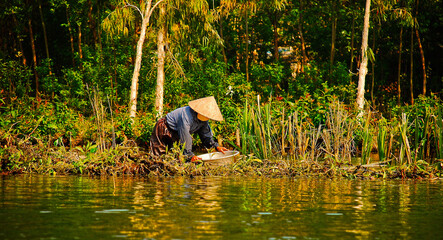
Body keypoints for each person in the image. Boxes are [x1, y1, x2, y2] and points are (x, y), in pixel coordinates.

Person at [150, 96, 229, 162]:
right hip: (164, 127)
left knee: (175, 157)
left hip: (176, 132)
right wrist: (190, 155)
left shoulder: (204, 121)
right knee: (158, 155)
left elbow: (206, 136)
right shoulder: (186, 116)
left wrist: (216, 146)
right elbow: (185, 136)